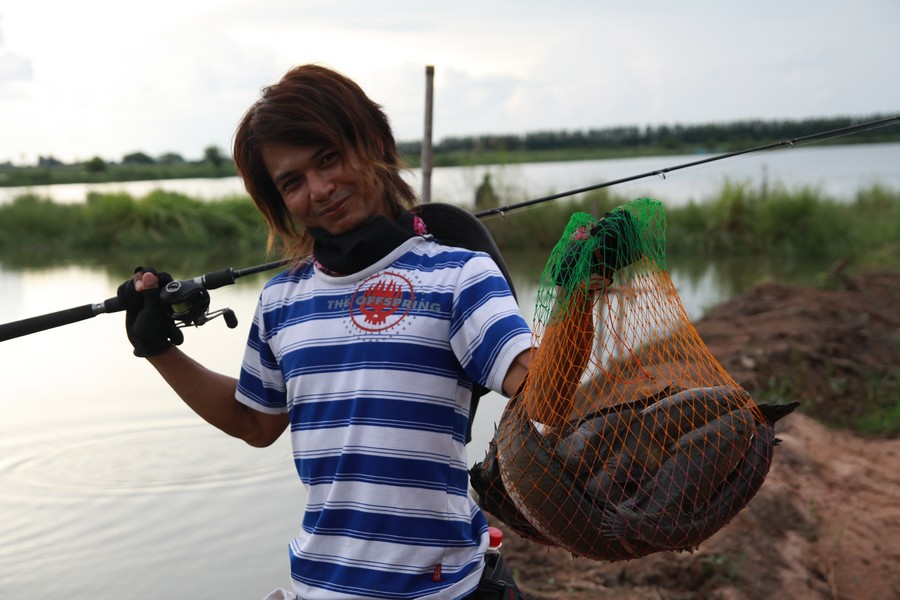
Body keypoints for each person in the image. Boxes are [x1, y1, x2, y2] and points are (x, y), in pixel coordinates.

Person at [118, 64, 533, 599]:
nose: (320, 189)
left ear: (372, 142)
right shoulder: (281, 301)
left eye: (329, 158)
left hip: (443, 588)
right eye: (292, 182)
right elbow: (254, 421)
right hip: (316, 585)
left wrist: (585, 291)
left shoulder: (459, 274)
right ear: (279, 202)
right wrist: (157, 349)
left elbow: (531, 378)